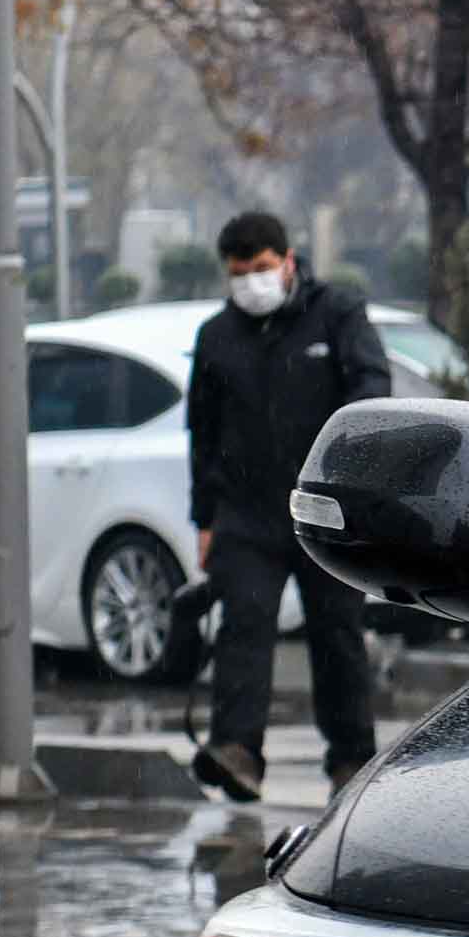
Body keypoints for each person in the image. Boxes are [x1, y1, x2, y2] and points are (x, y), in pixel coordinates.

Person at [183, 211, 393, 802]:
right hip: (247, 513)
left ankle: (351, 759)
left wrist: (355, 478)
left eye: (261, 268)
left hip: (328, 509)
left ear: (288, 262)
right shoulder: (217, 337)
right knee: (243, 626)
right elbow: (202, 433)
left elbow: (371, 389)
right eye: (239, 273)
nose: (251, 282)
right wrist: (204, 518)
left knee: (337, 634)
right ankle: (236, 749)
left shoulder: (338, 314)